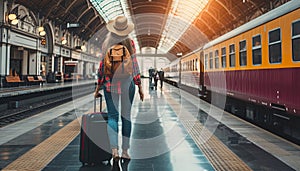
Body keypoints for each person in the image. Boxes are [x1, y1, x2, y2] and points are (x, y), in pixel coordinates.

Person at [94, 16, 144, 161]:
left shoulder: (106, 44)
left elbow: (102, 67)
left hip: (110, 85)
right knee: (126, 117)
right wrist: (139, 85)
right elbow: (134, 65)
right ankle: (125, 151)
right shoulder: (130, 43)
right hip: (127, 85)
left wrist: (98, 87)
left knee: (113, 117)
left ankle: (114, 150)